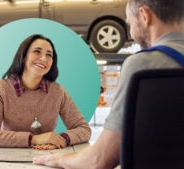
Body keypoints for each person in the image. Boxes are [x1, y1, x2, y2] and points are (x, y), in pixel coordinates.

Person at [33, 0, 184, 168]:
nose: (132, 33)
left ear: (144, 15)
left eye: (129, 22)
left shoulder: (142, 64)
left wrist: (58, 159)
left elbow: (100, 160)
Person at [0, 34, 91, 149]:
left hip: (46, 157)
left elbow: (84, 129)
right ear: (23, 56)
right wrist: (35, 139)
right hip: (9, 158)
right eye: (37, 51)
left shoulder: (58, 91)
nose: (44, 58)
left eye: (49, 55)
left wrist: (60, 139)